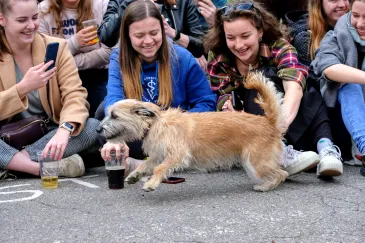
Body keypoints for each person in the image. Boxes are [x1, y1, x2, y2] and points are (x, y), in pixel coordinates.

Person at [205, 0, 344, 177]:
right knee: (254, 85)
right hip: (253, 130)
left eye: (245, 36)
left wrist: (280, 123)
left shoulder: (278, 46)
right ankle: (281, 153)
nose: (239, 45)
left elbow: (294, 85)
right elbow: (222, 93)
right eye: (230, 38)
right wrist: (227, 108)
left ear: (260, 31)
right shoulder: (218, 58)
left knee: (307, 86)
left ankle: (326, 147)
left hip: (287, 116)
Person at [99, 0, 216, 173]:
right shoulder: (119, 57)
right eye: (139, 36)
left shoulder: (182, 57)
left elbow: (206, 103)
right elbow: (114, 99)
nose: (148, 41)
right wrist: (116, 136)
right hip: (139, 135)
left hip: (176, 135)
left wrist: (178, 126)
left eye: (154, 33)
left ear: (163, 30)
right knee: (103, 116)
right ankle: (157, 163)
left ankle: (148, 164)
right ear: (127, 35)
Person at [0, 0, 100, 178]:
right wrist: (22, 88)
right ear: (2, 19)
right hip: (8, 137)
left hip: (49, 134)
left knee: (94, 127)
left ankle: (15, 164)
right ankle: (40, 168)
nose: (31, 26)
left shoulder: (56, 47)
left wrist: (65, 129)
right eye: (22, 20)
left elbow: (75, 94)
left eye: (35, 17)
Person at [285, 0, 354, 163]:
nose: (343, 4)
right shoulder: (305, 36)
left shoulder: (357, 25)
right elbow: (317, 84)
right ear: (319, 4)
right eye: (333, 0)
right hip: (323, 112)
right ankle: (326, 146)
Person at [312, 0, 365, 176]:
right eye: (355, 16)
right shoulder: (335, 35)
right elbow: (328, 67)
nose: (360, 24)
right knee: (349, 83)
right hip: (344, 120)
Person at [39, 0, 112, 117]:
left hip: (98, 74)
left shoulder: (102, 4)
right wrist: (74, 42)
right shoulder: (43, 10)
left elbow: (109, 52)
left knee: (105, 112)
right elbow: (44, 57)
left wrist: (66, 62)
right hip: (59, 78)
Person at [97, 0, 208, 70]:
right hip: (135, 68)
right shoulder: (121, 1)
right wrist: (129, 3)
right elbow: (106, 37)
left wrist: (173, 33)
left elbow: (201, 46)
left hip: (176, 67)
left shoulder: (184, 2)